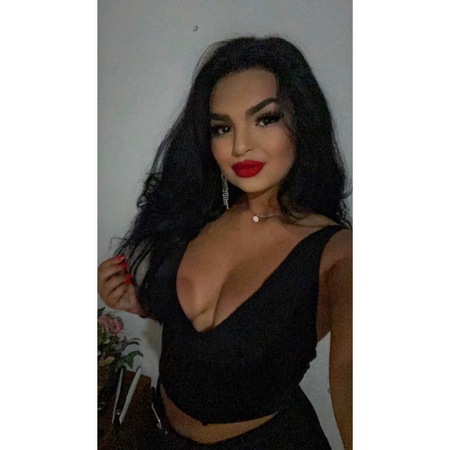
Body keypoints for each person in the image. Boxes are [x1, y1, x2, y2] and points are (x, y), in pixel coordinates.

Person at [98, 36, 352, 449]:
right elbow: (206, 345)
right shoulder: (194, 217)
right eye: (222, 128)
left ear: (303, 123)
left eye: (265, 119)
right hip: (160, 436)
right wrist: (139, 302)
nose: (240, 145)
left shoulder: (338, 255)